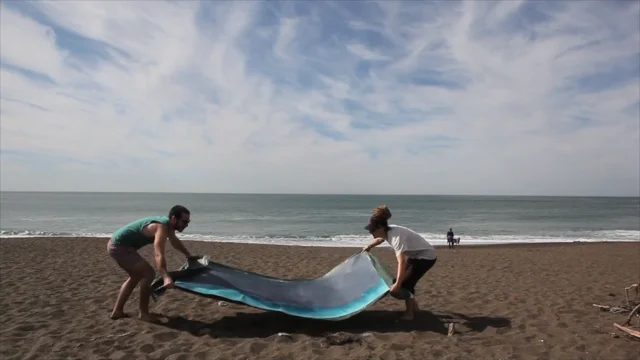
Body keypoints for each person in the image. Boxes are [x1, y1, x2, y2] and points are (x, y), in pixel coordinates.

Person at [107, 205, 195, 322]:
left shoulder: (168, 226)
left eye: (188, 222)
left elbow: (175, 242)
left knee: (135, 277)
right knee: (148, 274)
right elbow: (158, 254)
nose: (186, 225)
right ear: (174, 219)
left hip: (120, 246)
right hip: (119, 247)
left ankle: (117, 311)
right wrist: (165, 277)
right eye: (184, 222)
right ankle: (144, 314)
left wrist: (188, 255)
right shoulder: (161, 227)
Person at [362, 205, 437, 320]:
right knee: (403, 282)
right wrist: (369, 246)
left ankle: (410, 314)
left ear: (381, 227)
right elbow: (379, 239)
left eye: (372, 229)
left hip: (426, 257)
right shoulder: (387, 230)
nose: (371, 232)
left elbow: (401, 262)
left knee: (405, 284)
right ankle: (415, 308)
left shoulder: (396, 237)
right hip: (414, 256)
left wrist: (397, 284)